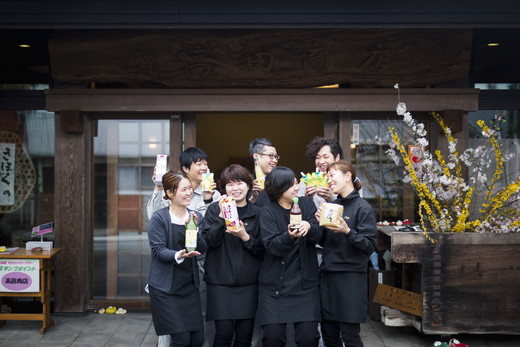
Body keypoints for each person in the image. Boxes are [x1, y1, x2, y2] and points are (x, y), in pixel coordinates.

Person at [146, 147, 220, 347]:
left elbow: (203, 246)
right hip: (165, 287)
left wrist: (196, 229)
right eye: (184, 190)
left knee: (196, 338)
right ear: (170, 193)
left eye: (189, 189)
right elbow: (158, 250)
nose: (189, 193)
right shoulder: (160, 218)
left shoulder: (196, 215)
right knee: (180, 339)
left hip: (190, 285)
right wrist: (179, 254)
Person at [257, 166, 323, 347]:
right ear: (278, 188)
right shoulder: (267, 211)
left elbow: (320, 236)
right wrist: (290, 236)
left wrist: (310, 227)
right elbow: (272, 247)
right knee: (272, 337)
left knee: (308, 338)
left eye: (296, 183)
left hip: (305, 285)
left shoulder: (307, 204)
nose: (296, 187)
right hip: (275, 287)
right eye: (291, 185)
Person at [200, 164, 264, 347]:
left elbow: (263, 249)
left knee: (244, 336)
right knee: (223, 334)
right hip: (220, 282)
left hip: (249, 283)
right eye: (230, 184)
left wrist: (245, 237)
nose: (235, 188)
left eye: (240, 183)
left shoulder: (258, 213)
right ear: (224, 188)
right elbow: (208, 242)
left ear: (249, 185)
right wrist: (221, 216)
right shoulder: (213, 210)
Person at [315, 161, 376, 347]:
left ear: (347, 176)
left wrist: (347, 231)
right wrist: (320, 226)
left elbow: (369, 245)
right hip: (328, 275)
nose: (329, 180)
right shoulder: (331, 206)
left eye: (332, 175)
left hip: (351, 278)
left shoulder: (362, 207)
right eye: (327, 177)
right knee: (328, 334)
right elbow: (325, 243)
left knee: (350, 335)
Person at [147, 147, 221, 219]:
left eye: (205, 164)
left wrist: (208, 200)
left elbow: (213, 224)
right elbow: (153, 216)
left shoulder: (214, 194)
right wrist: (158, 187)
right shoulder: (172, 192)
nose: (204, 168)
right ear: (185, 168)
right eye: (199, 164)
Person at [298, 137, 343, 206]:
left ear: (337, 157)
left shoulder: (348, 181)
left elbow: (353, 211)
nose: (321, 162)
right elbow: (297, 210)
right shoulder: (306, 182)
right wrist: (307, 199)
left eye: (326, 157)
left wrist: (332, 199)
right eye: (317, 157)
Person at [248, 138, 279, 207]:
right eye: (271, 156)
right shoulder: (246, 184)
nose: (275, 160)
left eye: (276, 156)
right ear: (256, 156)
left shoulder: (280, 181)